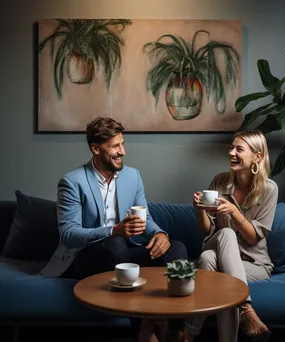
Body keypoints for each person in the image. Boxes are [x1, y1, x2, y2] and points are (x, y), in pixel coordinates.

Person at [40, 116, 188, 342]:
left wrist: (158, 234)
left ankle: (175, 328)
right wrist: (113, 231)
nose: (122, 151)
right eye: (115, 146)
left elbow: (144, 217)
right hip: (85, 256)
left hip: (123, 254)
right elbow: (69, 235)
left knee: (176, 248)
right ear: (95, 149)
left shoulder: (132, 176)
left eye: (123, 144)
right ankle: (145, 326)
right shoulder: (72, 182)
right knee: (115, 244)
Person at [182, 130, 278, 342]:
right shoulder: (219, 181)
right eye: (231, 148)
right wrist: (199, 210)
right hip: (218, 244)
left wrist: (234, 213)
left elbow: (254, 239)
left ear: (257, 156)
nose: (232, 153)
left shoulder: (269, 189)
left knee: (209, 262)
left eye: (239, 149)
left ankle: (188, 334)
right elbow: (208, 231)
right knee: (224, 233)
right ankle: (247, 309)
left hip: (254, 264)